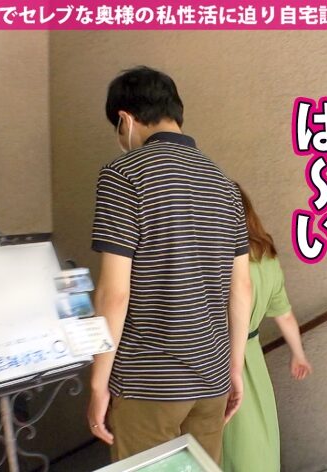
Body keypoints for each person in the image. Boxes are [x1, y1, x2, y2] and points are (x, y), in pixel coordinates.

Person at [87, 66, 252, 465]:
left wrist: (97, 383)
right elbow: (242, 289)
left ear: (125, 119)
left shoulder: (122, 174)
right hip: (212, 378)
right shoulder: (224, 183)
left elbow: (114, 293)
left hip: (148, 383)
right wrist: (234, 369)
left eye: (117, 128)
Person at [222, 184, 312, 472]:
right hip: (252, 357)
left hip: (220, 356)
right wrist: (298, 354)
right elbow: (284, 315)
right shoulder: (267, 257)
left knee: (228, 441)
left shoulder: (216, 256)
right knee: (258, 437)